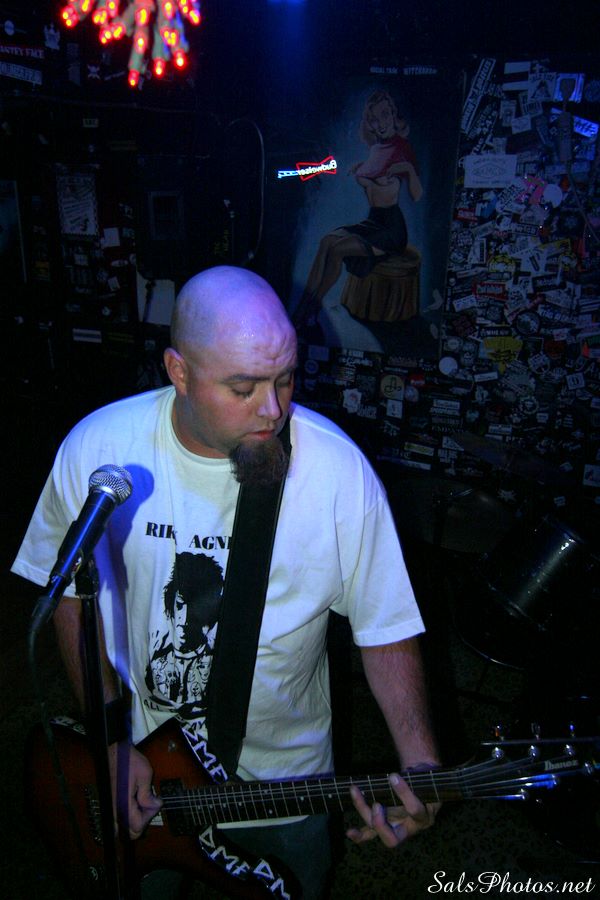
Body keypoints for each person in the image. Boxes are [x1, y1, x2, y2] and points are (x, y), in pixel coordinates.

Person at [12, 265, 440, 899]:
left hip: (286, 787)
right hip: (146, 779)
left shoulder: (338, 473)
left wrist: (420, 759)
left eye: (285, 378)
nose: (274, 409)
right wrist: (107, 741)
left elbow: (386, 628)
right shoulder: (99, 449)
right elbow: (70, 599)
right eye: (244, 387)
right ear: (178, 372)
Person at [294, 90, 423, 329]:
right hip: (373, 221)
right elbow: (376, 173)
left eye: (384, 115)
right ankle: (302, 309)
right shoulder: (377, 149)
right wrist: (363, 167)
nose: (380, 123)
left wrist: (408, 170)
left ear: (393, 114)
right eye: (373, 119)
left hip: (391, 229)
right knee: (326, 242)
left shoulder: (402, 148)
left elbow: (417, 194)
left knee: (337, 250)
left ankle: (311, 310)